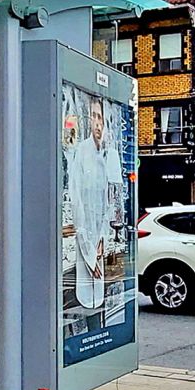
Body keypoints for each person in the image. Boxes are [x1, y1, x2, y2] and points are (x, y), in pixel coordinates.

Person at [67, 93, 120, 315]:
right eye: (94, 117)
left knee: (97, 295)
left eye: (100, 117)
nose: (97, 123)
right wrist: (88, 248)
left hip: (101, 238)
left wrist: (103, 239)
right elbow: (76, 199)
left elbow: (113, 201)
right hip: (85, 238)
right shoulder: (82, 152)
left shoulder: (111, 155)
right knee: (86, 292)